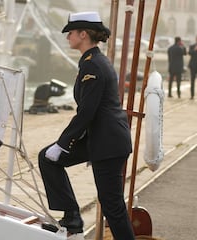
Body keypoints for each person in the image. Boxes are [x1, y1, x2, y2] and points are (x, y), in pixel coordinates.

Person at [38, 11, 135, 240]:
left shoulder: (93, 66)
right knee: (47, 158)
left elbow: (87, 112)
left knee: (112, 206)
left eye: (71, 32)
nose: (67, 37)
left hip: (108, 143)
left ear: (83, 34)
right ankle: (72, 217)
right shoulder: (91, 61)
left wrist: (63, 144)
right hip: (99, 139)